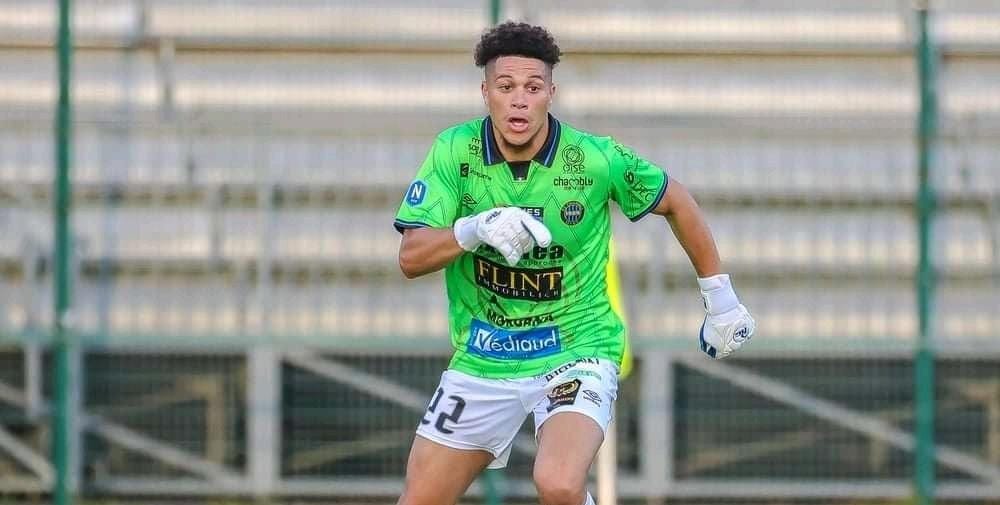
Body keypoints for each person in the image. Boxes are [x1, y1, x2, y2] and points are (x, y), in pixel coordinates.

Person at [392, 21, 755, 505]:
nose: (519, 101)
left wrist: (720, 297)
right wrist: (472, 230)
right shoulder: (453, 151)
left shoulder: (593, 158)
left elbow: (676, 200)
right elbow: (411, 256)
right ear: (485, 93)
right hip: (483, 355)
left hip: (576, 349)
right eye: (506, 87)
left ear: (551, 93)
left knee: (558, 482)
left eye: (533, 88)